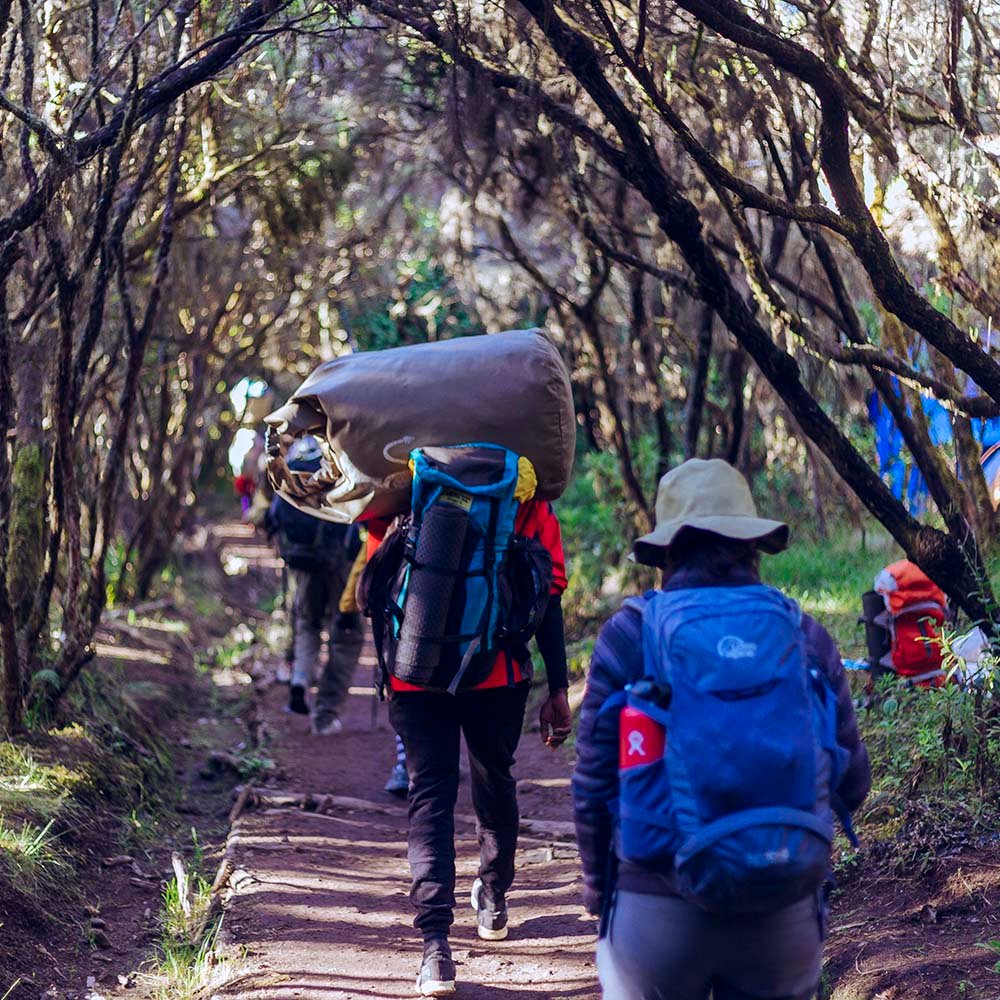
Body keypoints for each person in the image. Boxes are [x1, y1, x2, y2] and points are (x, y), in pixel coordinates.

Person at [573, 459, 871, 1000]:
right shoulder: (802, 633)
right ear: (752, 546)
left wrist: (600, 891)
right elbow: (853, 781)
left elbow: (594, 787)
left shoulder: (628, 635)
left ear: (666, 553)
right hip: (781, 913)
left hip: (657, 912)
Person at [372, 498, 572, 997]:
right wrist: (559, 687)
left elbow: (375, 584)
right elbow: (548, 595)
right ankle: (494, 895)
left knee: (430, 795)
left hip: (415, 671)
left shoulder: (405, 484)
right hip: (498, 671)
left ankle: (435, 949)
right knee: (494, 777)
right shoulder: (524, 491)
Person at [265, 437, 363, 734]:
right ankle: (325, 713)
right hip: (338, 566)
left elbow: (271, 519)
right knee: (346, 634)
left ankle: (300, 680)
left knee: (308, 623)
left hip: (303, 564)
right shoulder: (337, 464)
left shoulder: (293, 465)